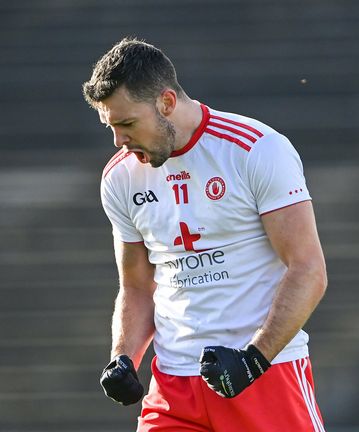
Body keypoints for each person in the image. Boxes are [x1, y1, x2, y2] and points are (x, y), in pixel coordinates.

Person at [83, 38, 327, 431]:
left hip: (265, 375)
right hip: (174, 389)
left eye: (127, 124)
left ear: (166, 103)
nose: (119, 140)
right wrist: (123, 357)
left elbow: (308, 269)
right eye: (110, 126)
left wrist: (253, 359)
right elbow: (137, 287)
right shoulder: (120, 177)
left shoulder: (256, 150)